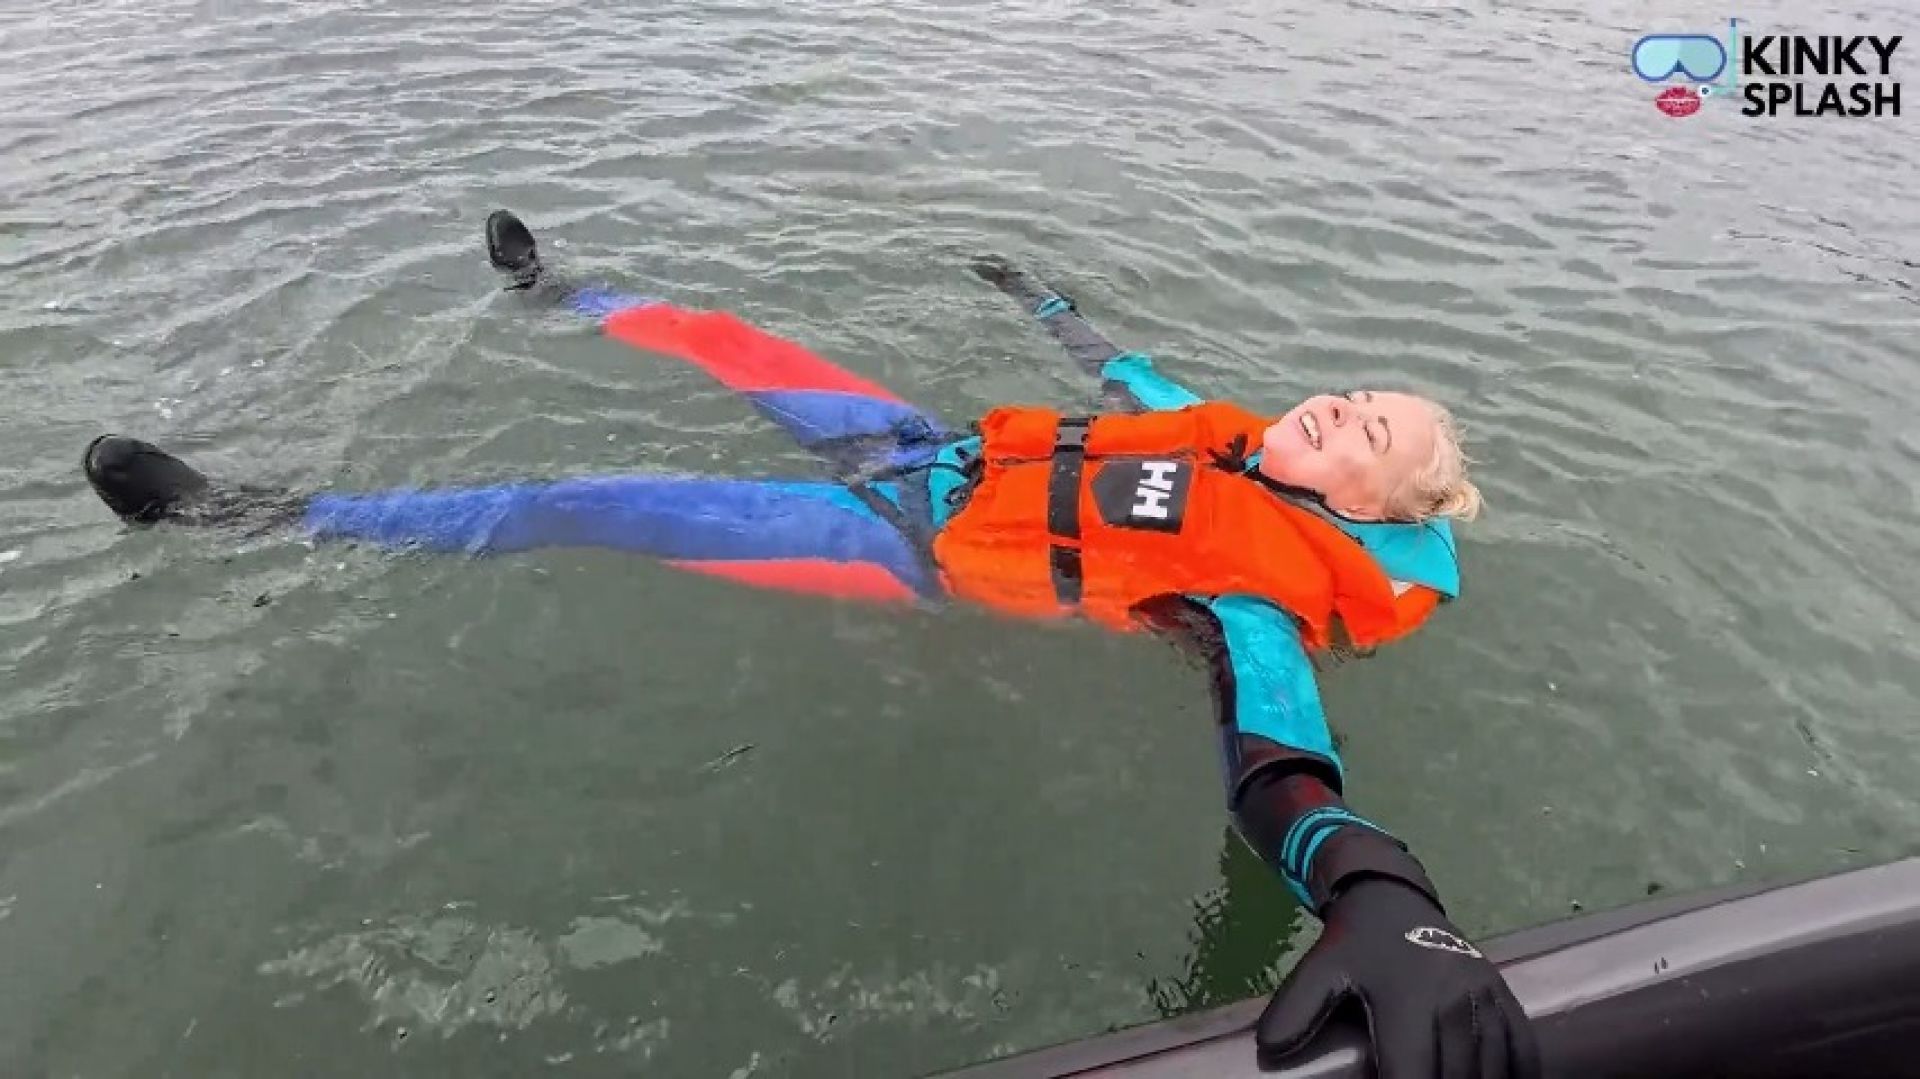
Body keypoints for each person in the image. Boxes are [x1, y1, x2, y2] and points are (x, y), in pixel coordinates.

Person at [83, 211, 1540, 1078]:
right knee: (732, 339)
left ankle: (263, 519)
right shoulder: (1220, 427)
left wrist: (1377, 895)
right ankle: (561, 292)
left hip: (906, 549)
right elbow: (1109, 370)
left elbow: (1281, 757)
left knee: (588, 501)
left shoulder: (1261, 592)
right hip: (931, 451)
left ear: (1371, 510)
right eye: (1354, 390)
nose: (1347, 408)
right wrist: (1036, 296)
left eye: (1378, 433)